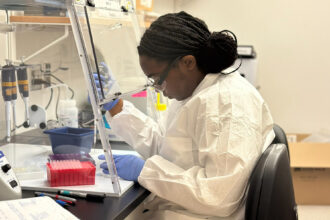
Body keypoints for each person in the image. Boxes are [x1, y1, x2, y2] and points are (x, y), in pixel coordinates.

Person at [99, 11, 275, 220]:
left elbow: (218, 197)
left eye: (156, 78)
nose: (155, 88)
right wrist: (117, 107)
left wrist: (145, 171)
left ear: (187, 62)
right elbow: (167, 149)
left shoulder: (225, 103)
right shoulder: (196, 91)